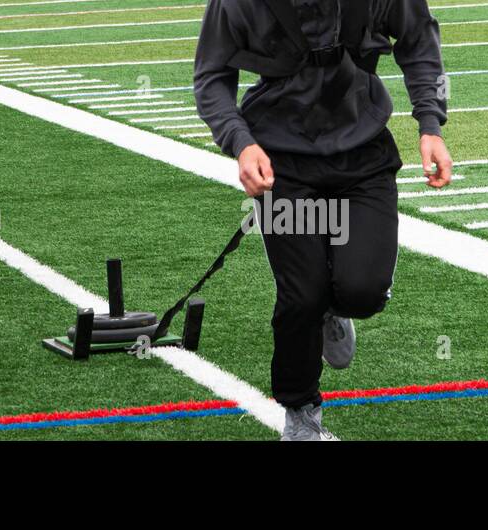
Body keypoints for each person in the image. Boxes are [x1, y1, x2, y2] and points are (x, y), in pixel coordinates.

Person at [194, 0, 452, 440]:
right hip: (283, 159)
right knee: (300, 299)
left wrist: (430, 125)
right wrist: (240, 143)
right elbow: (211, 77)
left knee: (363, 291)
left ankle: (336, 305)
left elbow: (418, 38)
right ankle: (302, 416)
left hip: (363, 152)